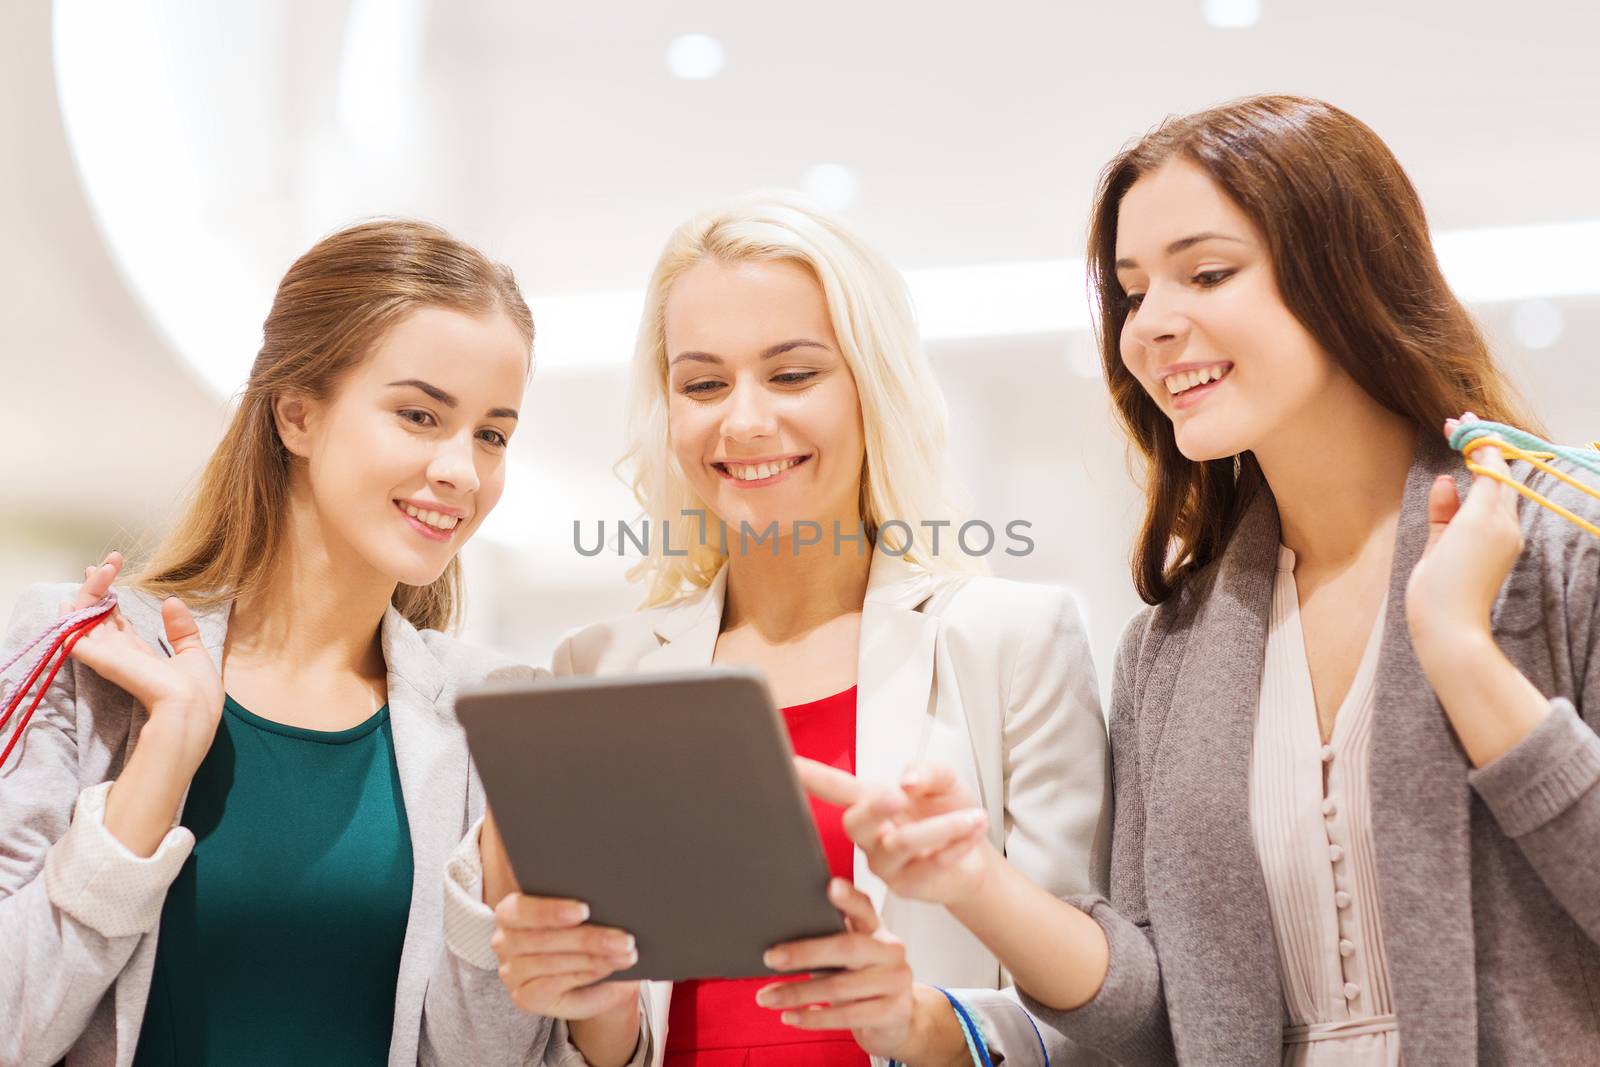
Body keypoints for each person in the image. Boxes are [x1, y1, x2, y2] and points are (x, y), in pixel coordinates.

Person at [804, 95, 1600, 1065]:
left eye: (1207, 272)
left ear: (1344, 272)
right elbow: (1156, 1020)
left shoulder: (1563, 557)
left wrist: (1461, 652)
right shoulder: (1168, 650)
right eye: (1133, 292)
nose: (1150, 327)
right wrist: (974, 875)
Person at [444, 194, 1112, 1066]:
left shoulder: (1012, 642)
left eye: (793, 374)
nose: (745, 420)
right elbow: (623, 1035)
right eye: (704, 383)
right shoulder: (597, 667)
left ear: (873, 389)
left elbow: (1099, 1017)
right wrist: (594, 1005)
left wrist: (919, 1021)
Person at [0, 219, 565, 1066]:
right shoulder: (92, 654)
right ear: (297, 414)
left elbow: (492, 1052)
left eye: (492, 433)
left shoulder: (494, 715)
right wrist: (156, 772)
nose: (463, 470)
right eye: (420, 414)